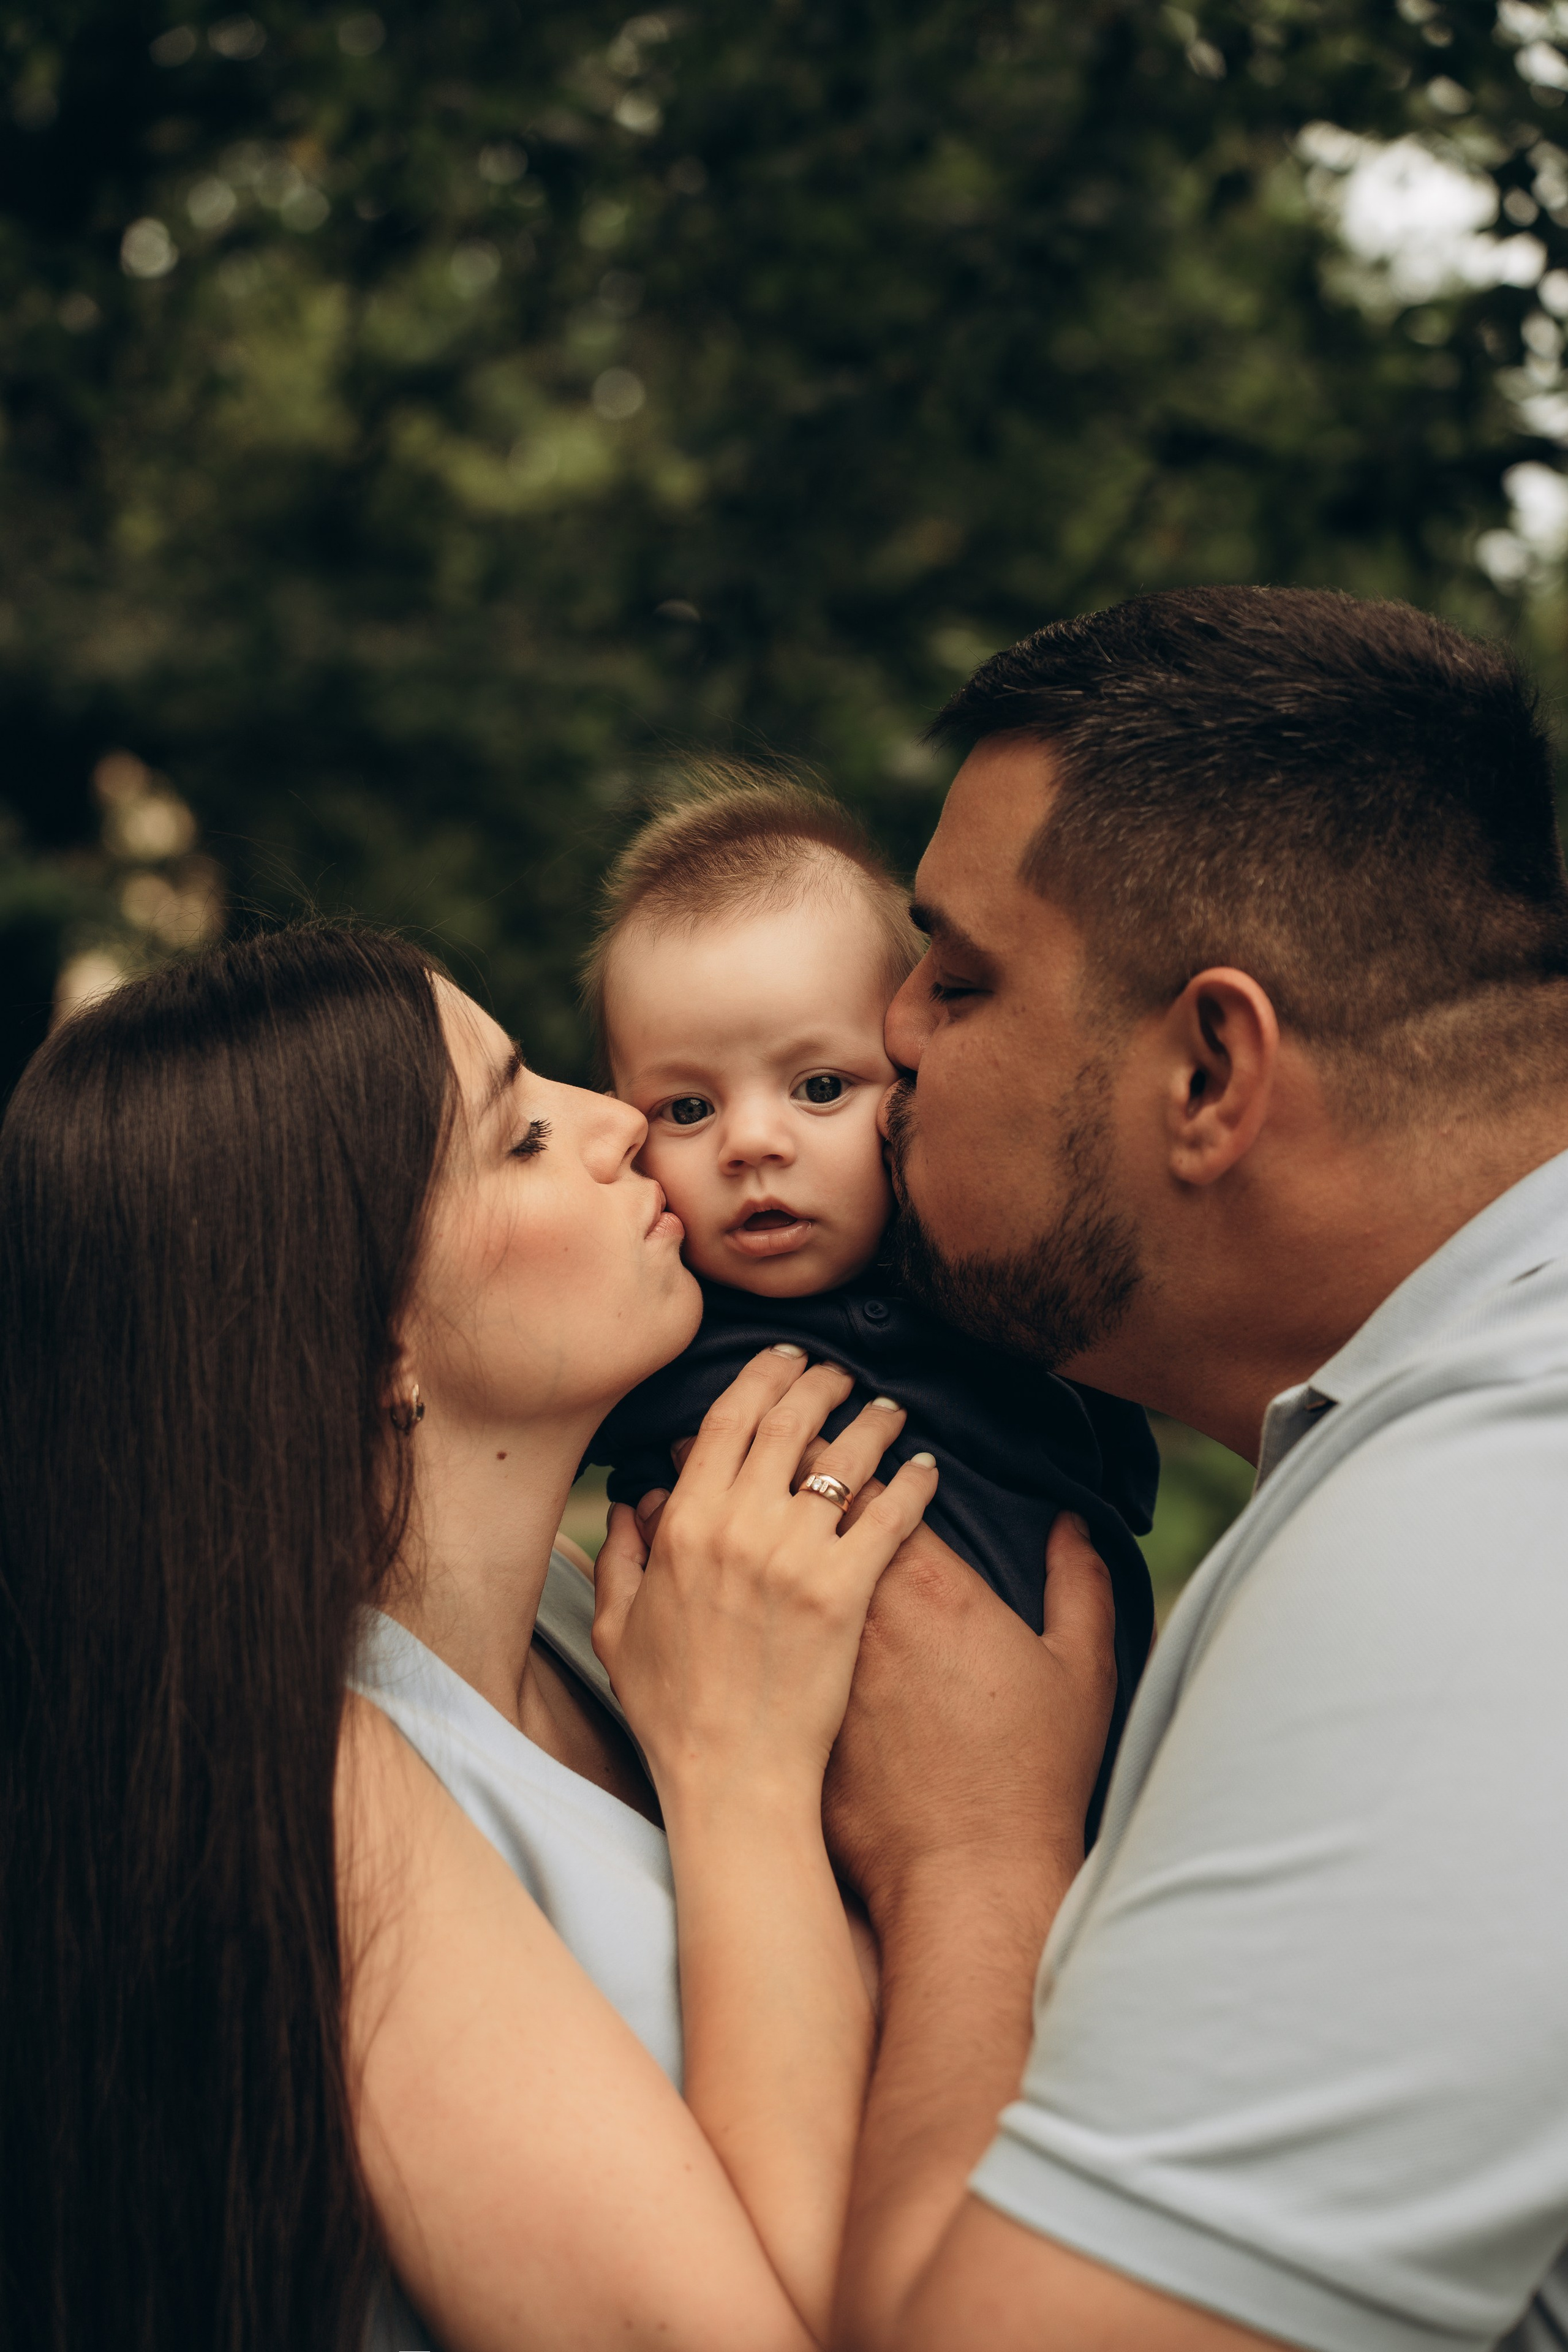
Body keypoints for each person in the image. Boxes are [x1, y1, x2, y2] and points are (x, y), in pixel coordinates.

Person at [0, 921, 942, 2352]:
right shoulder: (313, 1793)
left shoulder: (589, 1604)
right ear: (373, 1332)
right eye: (518, 1136)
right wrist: (745, 1784)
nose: (622, 1123)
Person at [816, 586, 1568, 2351]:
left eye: (960, 975)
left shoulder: (1491, 1524)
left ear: (1212, 1071)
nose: (893, 1037)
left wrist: (977, 1854)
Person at [583, 767, 1158, 1822]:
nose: (754, 1143)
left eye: (819, 1088)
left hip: (1085, 1767)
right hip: (807, 1800)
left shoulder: (996, 1287)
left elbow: (1102, 1417)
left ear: (915, 1079)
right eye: (688, 1105)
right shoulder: (651, 1337)